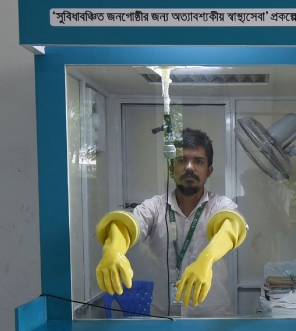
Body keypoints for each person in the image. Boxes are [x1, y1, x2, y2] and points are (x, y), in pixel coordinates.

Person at [94, 128, 247, 317]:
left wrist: (205, 260)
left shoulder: (221, 205)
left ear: (209, 171)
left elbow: (230, 227)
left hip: (213, 318)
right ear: (170, 169)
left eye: (198, 161)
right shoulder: (155, 207)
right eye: (181, 160)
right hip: (165, 318)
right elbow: (126, 225)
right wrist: (112, 249)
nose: (189, 167)